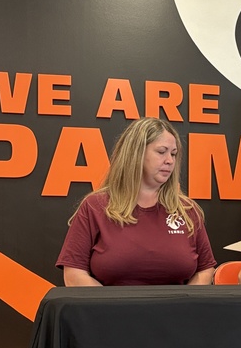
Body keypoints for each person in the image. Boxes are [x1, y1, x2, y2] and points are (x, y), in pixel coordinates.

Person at [57, 118, 216, 286]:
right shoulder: (95, 206)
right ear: (136, 153)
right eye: (162, 152)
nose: (170, 160)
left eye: (173, 154)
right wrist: (111, 307)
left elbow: (205, 269)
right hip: (110, 312)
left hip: (176, 312)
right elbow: (74, 273)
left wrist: (185, 305)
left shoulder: (187, 210)